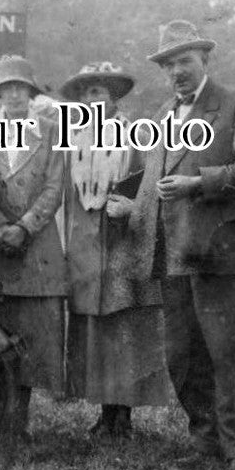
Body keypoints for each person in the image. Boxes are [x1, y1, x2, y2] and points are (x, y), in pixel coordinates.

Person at [109, 20, 235, 470]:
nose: (177, 70)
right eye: (169, 64)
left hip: (223, 254)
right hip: (175, 258)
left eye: (185, 60)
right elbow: (158, 187)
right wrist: (132, 209)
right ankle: (206, 441)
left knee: (228, 355)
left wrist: (199, 183)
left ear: (205, 61)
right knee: (183, 358)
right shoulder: (164, 116)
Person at [60, 62, 171, 438]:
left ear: (114, 97)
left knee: (125, 327)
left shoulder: (136, 135)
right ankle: (103, 411)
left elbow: (150, 185)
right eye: (87, 92)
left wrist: (131, 209)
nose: (94, 99)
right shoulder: (71, 138)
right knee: (97, 331)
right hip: (85, 244)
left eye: (100, 91)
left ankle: (122, 415)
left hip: (124, 242)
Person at [0, 56, 67, 435]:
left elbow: (55, 189)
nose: (15, 94)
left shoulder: (51, 133)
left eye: (22, 87)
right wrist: (1, 227)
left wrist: (24, 228)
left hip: (35, 251)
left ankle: (19, 421)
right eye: (8, 88)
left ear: (32, 93)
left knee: (31, 335)